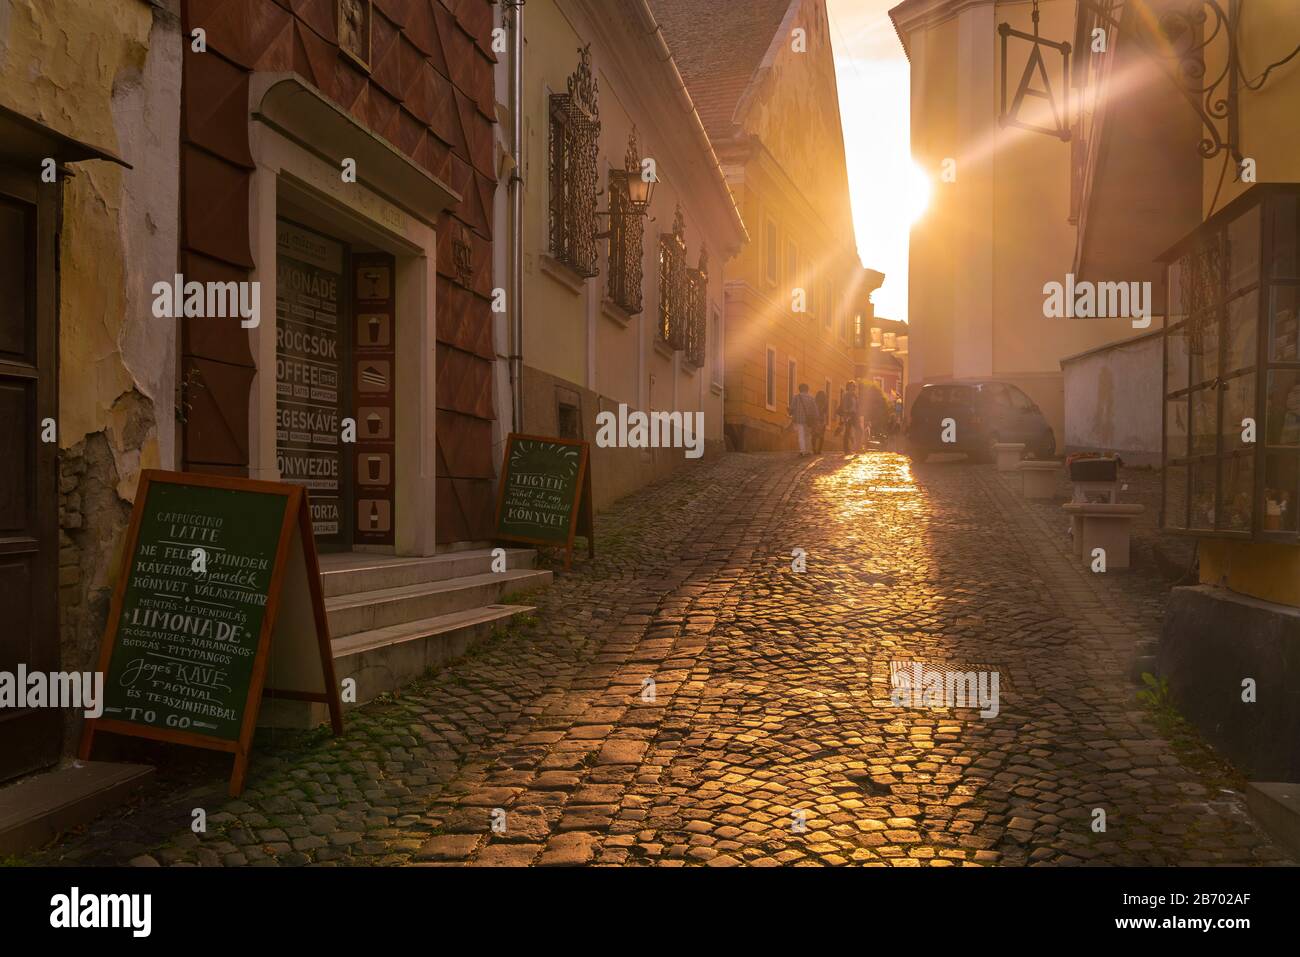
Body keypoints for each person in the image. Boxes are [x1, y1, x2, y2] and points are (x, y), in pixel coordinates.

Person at [788, 383, 820, 456]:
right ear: (807, 389)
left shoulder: (796, 397)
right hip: (809, 420)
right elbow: (815, 409)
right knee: (808, 435)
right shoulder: (811, 398)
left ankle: (802, 451)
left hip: (799, 419)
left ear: (799, 389)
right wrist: (816, 419)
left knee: (801, 435)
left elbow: (792, 408)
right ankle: (808, 450)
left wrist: (789, 411)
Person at [836, 382, 859, 454]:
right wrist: (845, 415)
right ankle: (847, 450)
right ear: (848, 387)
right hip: (848, 414)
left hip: (854, 415)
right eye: (851, 386)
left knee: (859, 430)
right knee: (847, 432)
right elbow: (844, 405)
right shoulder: (846, 395)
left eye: (854, 386)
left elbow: (857, 406)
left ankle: (857, 447)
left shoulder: (855, 396)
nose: (853, 388)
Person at [813, 389, 829, 454]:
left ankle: (814, 448)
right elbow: (826, 413)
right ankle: (819, 450)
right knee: (822, 436)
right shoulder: (825, 403)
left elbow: (813, 411)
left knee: (814, 435)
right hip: (822, 420)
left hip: (815, 420)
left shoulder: (815, 402)